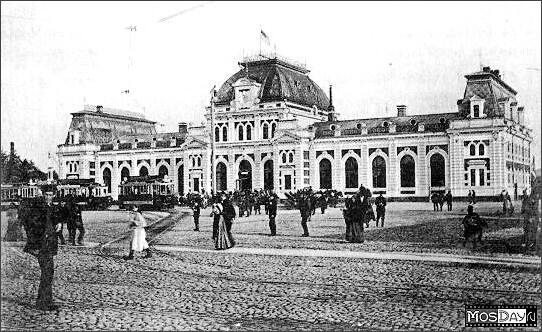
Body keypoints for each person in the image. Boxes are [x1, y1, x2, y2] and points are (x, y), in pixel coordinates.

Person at [22, 189, 62, 311]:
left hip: (49, 244)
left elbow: (56, 219)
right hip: (42, 245)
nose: (49, 197)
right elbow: (30, 225)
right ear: (43, 195)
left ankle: (45, 301)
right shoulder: (38, 208)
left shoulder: (52, 207)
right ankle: (43, 303)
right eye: (47, 195)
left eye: (51, 195)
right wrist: (35, 242)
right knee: (47, 272)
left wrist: (59, 223)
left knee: (48, 273)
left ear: (53, 195)